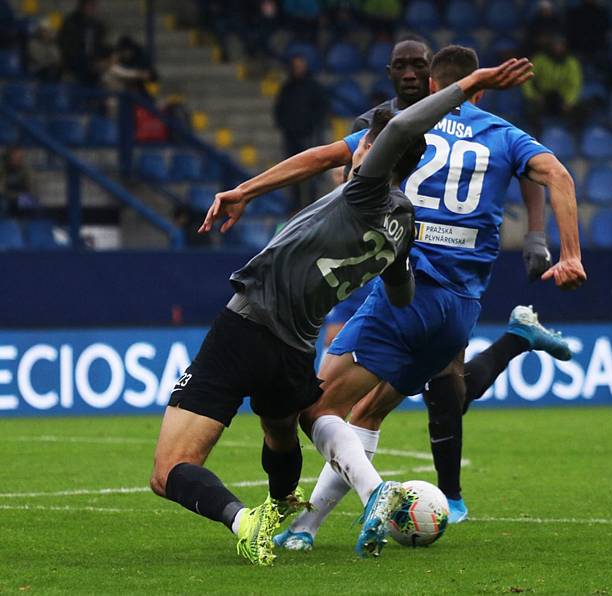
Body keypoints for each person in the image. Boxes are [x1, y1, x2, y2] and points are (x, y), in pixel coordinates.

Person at [155, 58, 535, 566]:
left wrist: (471, 84)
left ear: (379, 155)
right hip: (296, 345)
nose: (355, 148)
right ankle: (285, 507)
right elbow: (401, 294)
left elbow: (399, 125)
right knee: (292, 424)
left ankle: (244, 520)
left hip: (248, 321)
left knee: (169, 470)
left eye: (364, 144)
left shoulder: (364, 190)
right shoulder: (402, 223)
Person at [247, 47, 584, 556]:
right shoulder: (504, 134)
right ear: (481, 90)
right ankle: (305, 529)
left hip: (409, 290)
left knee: (315, 408)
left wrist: (245, 190)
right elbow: (557, 175)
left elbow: (322, 157)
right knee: (367, 415)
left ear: (432, 86)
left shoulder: (404, 128)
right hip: (461, 311)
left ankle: (375, 496)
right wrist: (569, 253)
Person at [274, 54, 328, 211]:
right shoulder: (287, 88)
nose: (298, 68)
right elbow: (279, 110)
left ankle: (312, 207)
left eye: (301, 65)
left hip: (310, 137)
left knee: (311, 175)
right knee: (292, 174)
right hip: (291, 137)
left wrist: (313, 126)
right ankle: (295, 207)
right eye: (296, 65)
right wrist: (285, 126)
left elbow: (322, 109)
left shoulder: (314, 87)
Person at [522, 36, 583, 131]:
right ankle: (536, 136)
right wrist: (533, 96)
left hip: (563, 98)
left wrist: (569, 102)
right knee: (530, 111)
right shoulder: (539, 59)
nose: (558, 48)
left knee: (578, 113)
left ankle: (570, 137)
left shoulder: (571, 62)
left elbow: (575, 84)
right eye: (555, 45)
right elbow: (526, 79)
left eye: (560, 45)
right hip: (543, 96)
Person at [57, 0, 107, 85]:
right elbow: (68, 48)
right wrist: (88, 63)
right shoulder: (71, 23)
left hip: (92, 64)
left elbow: (99, 45)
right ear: (82, 6)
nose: (91, 8)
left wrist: (100, 59)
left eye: (93, 6)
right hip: (75, 64)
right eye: (88, 5)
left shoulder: (96, 25)